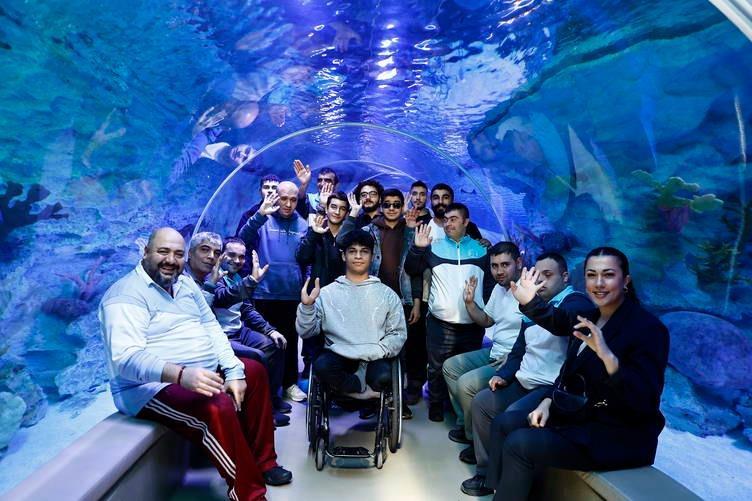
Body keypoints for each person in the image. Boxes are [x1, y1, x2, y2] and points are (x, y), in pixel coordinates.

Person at [99, 228, 292, 501]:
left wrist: (234, 371)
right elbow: (125, 359)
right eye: (163, 252)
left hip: (199, 373)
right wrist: (180, 375)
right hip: (151, 387)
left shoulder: (186, 285)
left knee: (254, 371)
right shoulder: (125, 295)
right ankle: (248, 494)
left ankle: (265, 463)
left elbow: (212, 327)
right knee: (216, 403)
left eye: (178, 254)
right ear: (145, 252)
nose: (171, 260)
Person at [481, 247, 669, 501]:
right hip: (581, 414)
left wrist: (609, 360)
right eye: (592, 275)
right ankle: (498, 490)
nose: (598, 283)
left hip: (617, 433)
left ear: (625, 280)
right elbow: (559, 331)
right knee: (504, 423)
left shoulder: (648, 329)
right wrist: (548, 401)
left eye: (608, 275)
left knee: (520, 443)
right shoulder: (591, 316)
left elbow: (643, 401)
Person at [460, 252, 593, 496]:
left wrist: (531, 303)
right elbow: (519, 349)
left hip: (549, 387)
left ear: (565, 277)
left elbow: (562, 322)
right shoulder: (533, 307)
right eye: (537, 275)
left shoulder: (575, 303)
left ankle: (508, 483)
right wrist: (504, 374)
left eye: (548, 275)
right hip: (524, 380)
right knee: (482, 402)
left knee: (511, 416)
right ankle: (486, 472)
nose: (540, 281)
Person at [404, 202, 494, 422]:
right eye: (445, 220)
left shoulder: (482, 250)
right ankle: (436, 404)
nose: (448, 223)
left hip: (472, 323)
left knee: (466, 371)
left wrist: (488, 312)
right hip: (440, 322)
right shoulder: (434, 247)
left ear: (466, 222)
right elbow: (412, 269)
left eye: (454, 219)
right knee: (436, 367)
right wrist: (418, 248)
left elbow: (491, 285)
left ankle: (460, 408)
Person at [338, 188, 422, 418]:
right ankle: (371, 401)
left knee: (400, 353)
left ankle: (399, 401)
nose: (392, 208)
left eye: (397, 204)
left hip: (402, 300)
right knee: (369, 349)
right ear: (381, 206)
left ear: (402, 207)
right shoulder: (369, 230)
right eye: (387, 204)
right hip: (371, 299)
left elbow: (416, 270)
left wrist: (415, 302)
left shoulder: (411, 230)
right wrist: (352, 215)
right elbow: (341, 242)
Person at [295, 229, 407, 398]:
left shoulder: (388, 294)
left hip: (374, 355)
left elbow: (398, 334)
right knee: (322, 366)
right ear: (343, 256)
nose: (358, 256)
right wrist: (307, 307)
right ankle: (358, 391)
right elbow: (306, 332)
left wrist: (378, 350)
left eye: (364, 251)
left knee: (384, 376)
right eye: (352, 251)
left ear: (372, 256)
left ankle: (354, 390)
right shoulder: (326, 293)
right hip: (338, 354)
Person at [442, 242, 524, 445]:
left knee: (466, 384)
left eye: (505, 265)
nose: (499, 271)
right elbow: (487, 320)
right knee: (450, 367)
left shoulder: (528, 291)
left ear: (519, 263)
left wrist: (516, 356)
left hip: (513, 358)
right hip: (495, 351)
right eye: (494, 266)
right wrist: (469, 303)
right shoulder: (499, 289)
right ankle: (466, 423)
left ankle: (475, 441)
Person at [239, 181, 309, 402]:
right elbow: (242, 238)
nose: (288, 204)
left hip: (291, 293)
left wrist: (305, 283)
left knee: (290, 341)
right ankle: (266, 388)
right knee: (264, 343)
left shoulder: (303, 224)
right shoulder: (263, 219)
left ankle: (289, 384)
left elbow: (307, 258)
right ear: (276, 197)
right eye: (284, 198)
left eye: (293, 199)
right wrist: (260, 215)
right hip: (263, 292)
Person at [211, 237, 291, 426]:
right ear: (221, 255)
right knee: (258, 356)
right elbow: (222, 297)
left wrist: (270, 331)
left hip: (239, 331)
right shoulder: (215, 277)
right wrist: (252, 281)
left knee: (275, 344)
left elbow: (247, 309)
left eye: (241, 257)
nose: (237, 260)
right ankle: (265, 411)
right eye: (231, 255)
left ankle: (273, 398)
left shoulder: (237, 278)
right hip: (222, 336)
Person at [295, 191, 349, 378]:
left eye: (342, 208)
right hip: (317, 293)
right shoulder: (316, 230)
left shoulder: (348, 235)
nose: (337, 212)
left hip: (342, 296)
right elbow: (301, 257)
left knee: (338, 339)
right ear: (326, 208)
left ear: (347, 212)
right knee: (313, 336)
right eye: (333, 207)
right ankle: (310, 370)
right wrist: (313, 234)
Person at [183, 231, 225, 306]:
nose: (211, 256)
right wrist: (210, 285)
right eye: (205, 250)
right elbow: (197, 311)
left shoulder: (210, 277)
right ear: (190, 253)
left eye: (217, 253)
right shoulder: (179, 277)